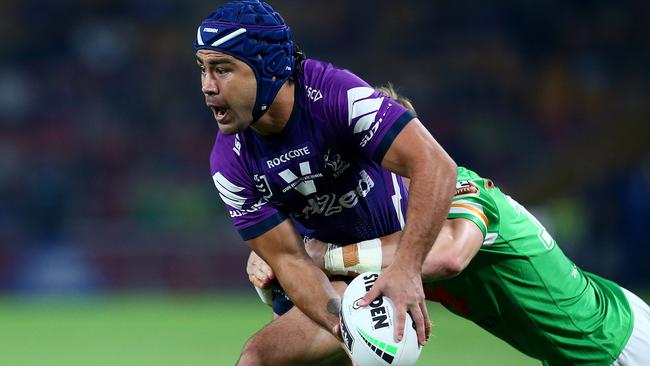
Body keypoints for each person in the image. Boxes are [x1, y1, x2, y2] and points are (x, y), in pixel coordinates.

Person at [248, 85, 650, 365]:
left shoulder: (465, 189)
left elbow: (449, 255)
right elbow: (332, 305)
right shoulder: (395, 227)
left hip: (616, 344)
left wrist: (325, 257)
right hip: (580, 346)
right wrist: (281, 267)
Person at [193, 1, 457, 364]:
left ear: (269, 68)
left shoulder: (337, 97)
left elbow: (437, 166)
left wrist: (408, 269)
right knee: (257, 358)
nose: (207, 86)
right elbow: (289, 262)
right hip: (321, 280)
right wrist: (345, 329)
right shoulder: (228, 163)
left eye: (222, 69)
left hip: (385, 268)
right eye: (203, 69)